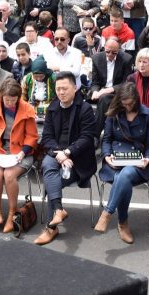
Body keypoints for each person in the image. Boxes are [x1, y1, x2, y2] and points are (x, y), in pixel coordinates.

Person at [31, 72, 99, 246]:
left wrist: (67, 152)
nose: (61, 92)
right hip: (58, 155)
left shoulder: (84, 109)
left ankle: (51, 227)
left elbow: (87, 137)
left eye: (65, 88)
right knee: (48, 165)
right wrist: (60, 155)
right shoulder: (53, 108)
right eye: (58, 89)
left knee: (51, 180)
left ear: (74, 88)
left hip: (78, 160)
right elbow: (46, 138)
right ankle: (58, 212)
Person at [95, 83, 149, 245]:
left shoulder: (147, 114)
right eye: (124, 103)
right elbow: (106, 139)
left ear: (136, 99)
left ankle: (108, 213)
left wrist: (148, 159)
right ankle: (123, 223)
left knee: (126, 175)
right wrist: (107, 156)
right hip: (115, 158)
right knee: (123, 179)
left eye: (130, 103)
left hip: (138, 161)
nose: (127, 106)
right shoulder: (114, 113)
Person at [0, 79, 38, 233]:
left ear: (19, 97)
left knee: (9, 175)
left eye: (13, 100)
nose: (10, 103)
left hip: (21, 152)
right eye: (6, 100)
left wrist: (22, 152)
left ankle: (12, 213)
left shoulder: (27, 108)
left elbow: (32, 137)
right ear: (1, 96)